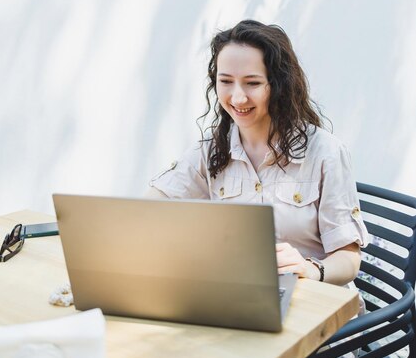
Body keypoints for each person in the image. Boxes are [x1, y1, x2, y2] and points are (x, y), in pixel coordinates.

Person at [146, 19, 368, 286]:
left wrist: (310, 270)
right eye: (226, 81)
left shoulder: (326, 152)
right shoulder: (212, 152)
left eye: (252, 83)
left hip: (314, 302)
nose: (238, 98)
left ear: (278, 85)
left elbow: (348, 259)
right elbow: (147, 210)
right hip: (243, 297)